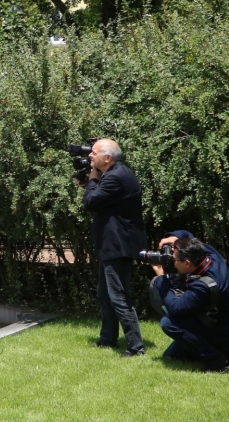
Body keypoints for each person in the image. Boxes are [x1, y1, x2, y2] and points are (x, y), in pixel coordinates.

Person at [79, 138, 148, 356]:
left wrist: (91, 179)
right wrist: (90, 183)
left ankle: (136, 347)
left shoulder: (116, 176)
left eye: (94, 152)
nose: (90, 155)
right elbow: (102, 200)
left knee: (117, 295)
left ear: (107, 157)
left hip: (118, 244)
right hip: (113, 244)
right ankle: (107, 339)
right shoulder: (115, 173)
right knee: (105, 294)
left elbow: (91, 203)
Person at [149, 231, 229, 372]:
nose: (173, 263)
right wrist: (173, 238)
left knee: (168, 323)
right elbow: (187, 234)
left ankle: (219, 361)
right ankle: (201, 351)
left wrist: (161, 276)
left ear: (187, 263)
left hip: (220, 328)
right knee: (171, 357)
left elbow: (175, 308)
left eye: (175, 261)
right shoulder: (208, 254)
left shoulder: (204, 285)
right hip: (215, 319)